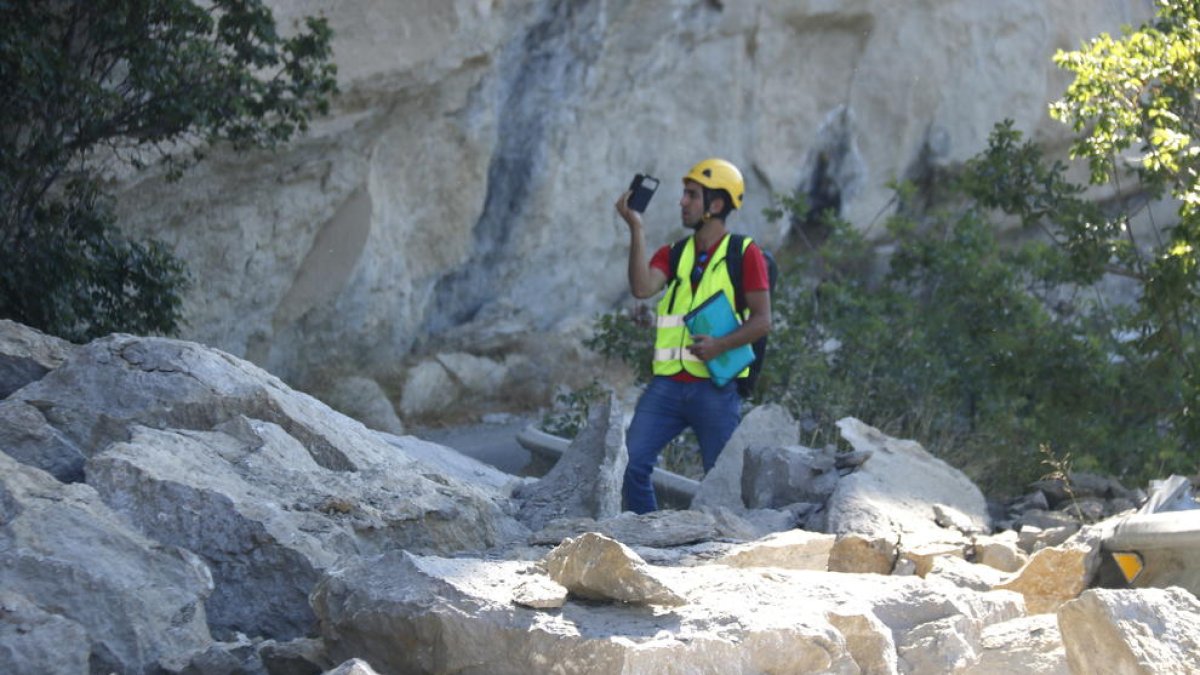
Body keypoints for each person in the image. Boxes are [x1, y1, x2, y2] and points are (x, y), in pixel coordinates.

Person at [614, 158, 772, 513]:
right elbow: (642, 287)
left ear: (716, 204)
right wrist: (635, 228)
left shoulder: (744, 254)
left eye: (691, 195)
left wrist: (720, 345)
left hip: (716, 389)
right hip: (667, 386)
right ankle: (650, 537)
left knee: (722, 484)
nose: (682, 202)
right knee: (631, 465)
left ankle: (721, 552)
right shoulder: (673, 253)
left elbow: (763, 321)